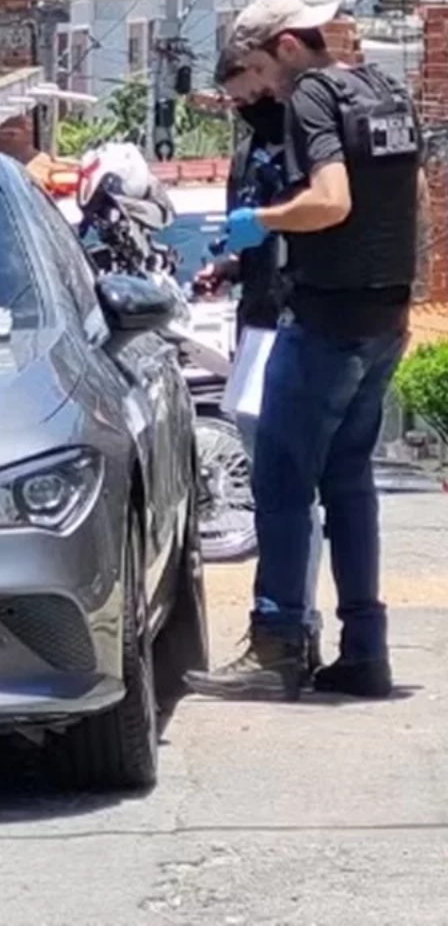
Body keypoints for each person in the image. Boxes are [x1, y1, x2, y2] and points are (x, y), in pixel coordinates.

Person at [188, 0, 425, 701]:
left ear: (288, 47)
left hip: (322, 319)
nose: (261, 91)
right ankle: (364, 653)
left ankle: (277, 646)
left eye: (260, 69)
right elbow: (414, 194)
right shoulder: (382, 90)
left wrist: (258, 221)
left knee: (283, 486)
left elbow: (331, 200)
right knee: (349, 489)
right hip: (383, 316)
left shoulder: (311, 98)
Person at [190, 49, 324, 684]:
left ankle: (288, 631)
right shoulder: (250, 150)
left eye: (251, 93)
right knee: (269, 475)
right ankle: (288, 629)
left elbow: (312, 223)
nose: (247, 108)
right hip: (258, 319)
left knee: (287, 486)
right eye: (237, 101)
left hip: (295, 321)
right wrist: (228, 265)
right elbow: (257, 239)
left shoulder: (303, 136)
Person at [0, 114, 80, 198]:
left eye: (30, 127)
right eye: (27, 129)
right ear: (7, 136)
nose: (31, 130)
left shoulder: (34, 156)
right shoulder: (22, 169)